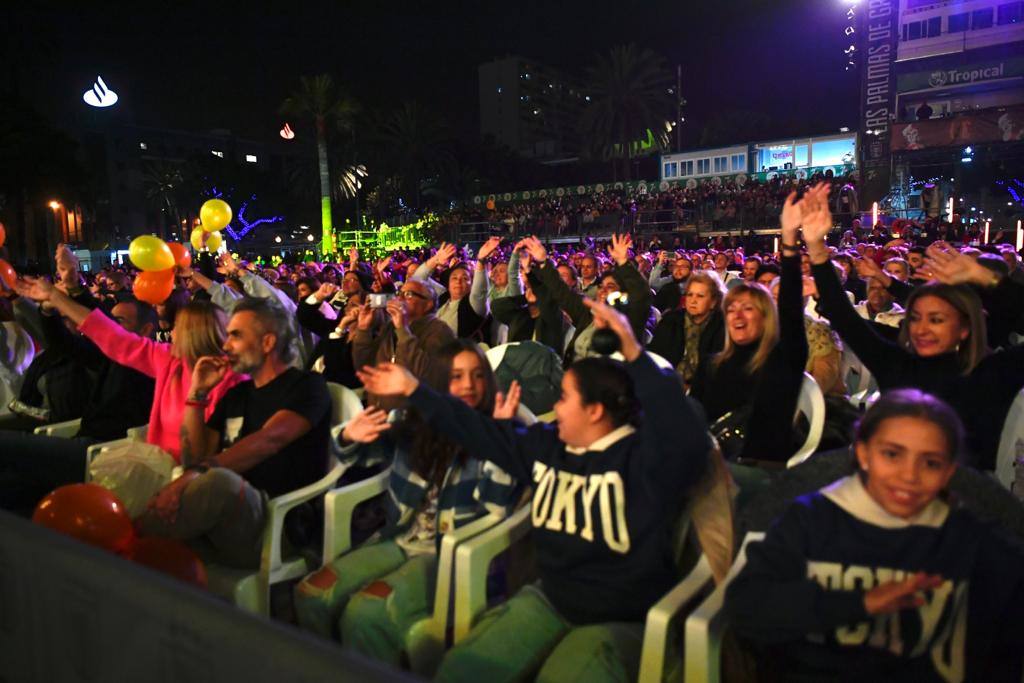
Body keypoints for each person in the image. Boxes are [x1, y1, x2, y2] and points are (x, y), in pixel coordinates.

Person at [357, 297, 711, 683]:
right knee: (463, 668)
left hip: (619, 619)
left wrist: (634, 351)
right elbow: (472, 427)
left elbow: (687, 435)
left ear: (595, 411)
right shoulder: (547, 446)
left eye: (563, 398)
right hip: (549, 598)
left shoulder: (645, 460)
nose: (554, 408)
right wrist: (415, 390)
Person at [724, 390, 1024, 681]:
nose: (909, 475)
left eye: (930, 463)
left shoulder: (972, 543)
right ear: (864, 454)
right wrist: (860, 603)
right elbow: (746, 607)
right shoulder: (810, 520)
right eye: (892, 454)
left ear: (948, 473)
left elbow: (1005, 645)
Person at [293, 341, 522, 664]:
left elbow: (497, 507)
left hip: (449, 553)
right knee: (312, 595)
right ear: (440, 382)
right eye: (456, 376)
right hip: (399, 537)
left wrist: (499, 437)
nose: (469, 385)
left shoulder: (502, 427)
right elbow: (365, 452)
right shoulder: (416, 421)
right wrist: (347, 436)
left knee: (366, 613)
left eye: (478, 375)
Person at [803, 183, 1024, 471]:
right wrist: (817, 246)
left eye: (936, 320)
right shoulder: (897, 363)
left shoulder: (991, 374)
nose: (922, 329)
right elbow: (844, 316)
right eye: (916, 317)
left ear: (965, 328)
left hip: (960, 500)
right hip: (887, 489)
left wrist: (989, 279)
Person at [137, 297, 332, 567]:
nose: (225, 346)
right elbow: (195, 456)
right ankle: (131, 550)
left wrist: (192, 476)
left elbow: (269, 440)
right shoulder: (237, 395)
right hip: (223, 520)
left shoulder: (307, 386)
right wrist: (197, 394)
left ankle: (121, 543)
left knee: (220, 483)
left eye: (236, 336)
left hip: (274, 522)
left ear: (267, 342)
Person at [691, 190, 809, 463]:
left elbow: (791, 310)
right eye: (731, 309)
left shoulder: (782, 361)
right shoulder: (712, 365)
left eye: (747, 308)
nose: (736, 315)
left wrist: (789, 241)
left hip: (758, 473)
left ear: (767, 316)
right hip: (709, 467)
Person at [523, 235, 653, 363]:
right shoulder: (588, 313)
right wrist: (543, 262)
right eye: (601, 286)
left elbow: (642, 295)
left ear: (623, 294)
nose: (603, 291)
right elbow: (561, 292)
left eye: (611, 286)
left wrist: (624, 263)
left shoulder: (628, 320)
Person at [350, 277, 456, 410]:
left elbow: (426, 375)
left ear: (428, 304)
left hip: (413, 417)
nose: (400, 298)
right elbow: (364, 366)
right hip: (379, 413)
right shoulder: (390, 327)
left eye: (409, 294)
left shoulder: (440, 331)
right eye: (400, 293)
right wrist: (364, 329)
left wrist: (402, 329)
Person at [648, 271, 726, 388]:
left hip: (703, 391)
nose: (693, 301)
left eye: (700, 296)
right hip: (665, 384)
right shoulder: (671, 320)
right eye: (690, 295)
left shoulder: (722, 327)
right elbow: (655, 355)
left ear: (714, 302)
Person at [412, 240, 495, 341]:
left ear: (472, 284)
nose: (458, 281)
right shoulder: (443, 297)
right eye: (454, 278)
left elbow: (480, 292)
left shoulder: (473, 305)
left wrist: (481, 260)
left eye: (465, 278)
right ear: (449, 283)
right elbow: (417, 281)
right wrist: (435, 260)